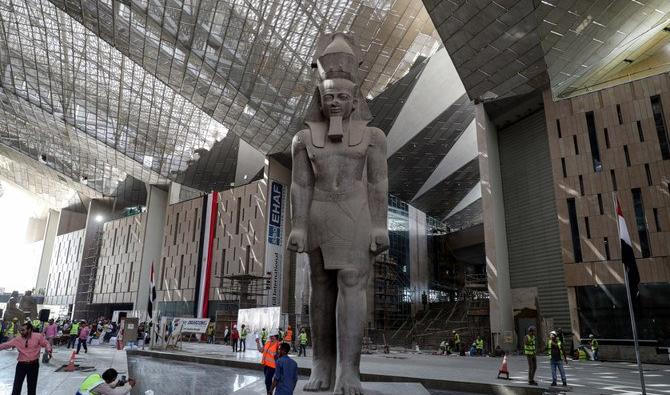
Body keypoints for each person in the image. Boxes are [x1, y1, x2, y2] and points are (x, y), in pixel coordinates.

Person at [0, 321, 52, 395]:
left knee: (32, 387)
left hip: (33, 365)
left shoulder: (38, 336)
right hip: (21, 365)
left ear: (29, 330)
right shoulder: (18, 339)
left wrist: (48, 349)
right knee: (17, 386)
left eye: (23, 330)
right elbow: (6, 345)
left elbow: (45, 343)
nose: (21, 332)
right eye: (21, 330)